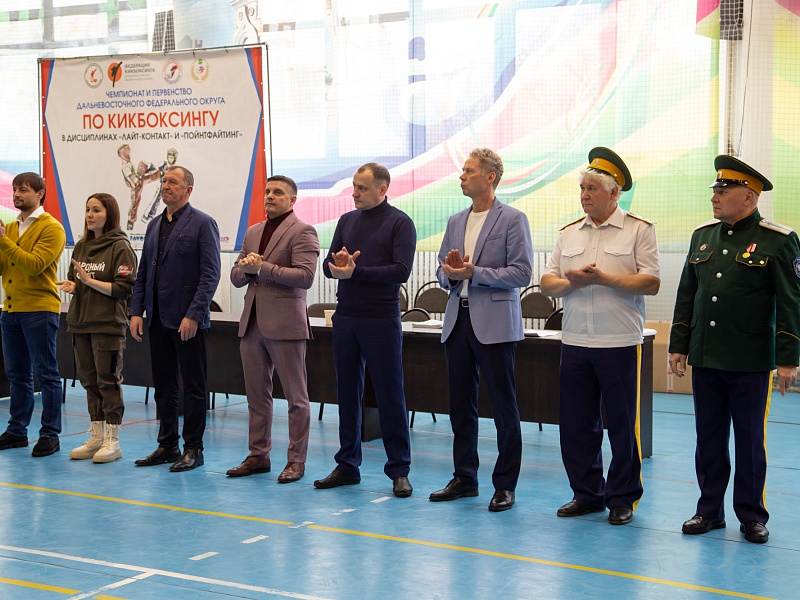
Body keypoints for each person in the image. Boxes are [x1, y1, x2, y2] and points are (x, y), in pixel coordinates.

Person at [669, 156, 800, 544]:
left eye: (723, 191)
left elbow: (791, 301)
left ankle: (752, 515)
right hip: (706, 355)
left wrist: (788, 359)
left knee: (749, 441)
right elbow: (687, 294)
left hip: (749, 359)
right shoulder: (703, 236)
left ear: (748, 196)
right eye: (715, 190)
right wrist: (679, 346)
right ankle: (708, 511)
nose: (715, 197)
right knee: (708, 439)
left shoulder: (779, 240)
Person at [540, 147, 660, 525]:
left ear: (614, 193)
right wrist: (571, 283)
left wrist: (605, 279)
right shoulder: (568, 233)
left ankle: (622, 497)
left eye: (592, 188)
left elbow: (651, 282)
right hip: (575, 341)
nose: (585, 195)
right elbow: (547, 282)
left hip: (618, 342)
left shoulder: (639, 230)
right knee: (577, 424)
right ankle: (586, 493)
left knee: (622, 424)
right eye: (582, 188)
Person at [429, 148, 533, 512]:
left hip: (496, 324)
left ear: (490, 177)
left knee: (504, 408)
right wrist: (450, 274)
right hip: (458, 320)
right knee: (461, 406)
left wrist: (476, 273)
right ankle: (465, 477)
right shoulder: (456, 221)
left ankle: (505, 485)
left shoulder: (512, 219)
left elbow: (522, 273)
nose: (462, 176)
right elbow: (442, 270)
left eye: (469, 171)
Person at [314, 163, 416, 498]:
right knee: (347, 393)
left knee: (390, 394)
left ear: (382, 189)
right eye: (354, 186)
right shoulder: (346, 221)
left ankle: (399, 470)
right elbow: (329, 267)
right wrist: (339, 267)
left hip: (381, 318)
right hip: (346, 316)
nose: (354, 193)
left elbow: (400, 271)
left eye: (362, 188)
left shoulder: (400, 223)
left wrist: (356, 272)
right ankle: (347, 465)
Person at [226, 176, 319, 482]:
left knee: (296, 399)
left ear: (292, 200)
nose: (270, 196)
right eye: (267, 191)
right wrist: (245, 269)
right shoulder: (253, 232)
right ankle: (258, 455)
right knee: (256, 396)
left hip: (286, 325)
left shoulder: (303, 231)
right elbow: (236, 276)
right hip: (252, 323)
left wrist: (262, 268)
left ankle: (296, 461)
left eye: (278, 192)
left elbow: (305, 277)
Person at [130, 166, 221, 472]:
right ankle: (167, 444)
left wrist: (194, 315)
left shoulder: (203, 223)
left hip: (186, 321)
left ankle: (194, 448)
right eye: (164, 181)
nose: (166, 185)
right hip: (157, 318)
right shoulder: (155, 224)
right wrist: (136, 311)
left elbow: (210, 275)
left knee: (193, 386)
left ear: (188, 190)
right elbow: (143, 273)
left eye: (173, 182)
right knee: (164, 385)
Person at [57, 193, 138, 463]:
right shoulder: (82, 245)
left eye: (96, 210)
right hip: (80, 322)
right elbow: (76, 278)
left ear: (109, 214)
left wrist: (89, 282)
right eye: (87, 210)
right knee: (89, 381)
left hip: (107, 324)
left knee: (108, 381)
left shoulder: (120, 247)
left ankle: (113, 440)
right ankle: (96, 435)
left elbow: (124, 288)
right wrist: (73, 285)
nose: (90, 215)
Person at [0, 172, 66, 457]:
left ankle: (50, 434)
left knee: (46, 374)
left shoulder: (52, 228)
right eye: (15, 189)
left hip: (39, 309)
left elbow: (35, 264)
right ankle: (17, 430)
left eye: (23, 190)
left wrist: (4, 242)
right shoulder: (11, 227)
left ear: (40, 194)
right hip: (11, 310)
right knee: (17, 375)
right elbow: (5, 266)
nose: (17, 194)